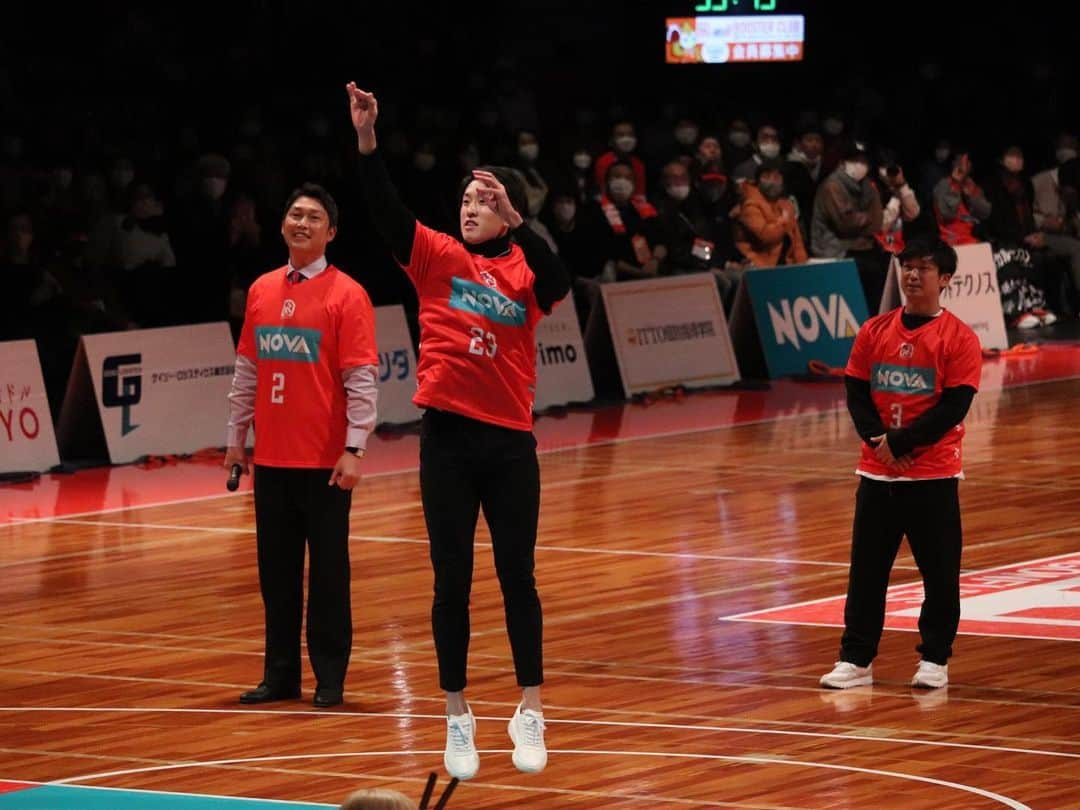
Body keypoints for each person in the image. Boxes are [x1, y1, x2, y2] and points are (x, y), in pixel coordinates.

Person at [346, 82, 570, 780]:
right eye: (467, 199)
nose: (471, 208)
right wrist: (367, 139)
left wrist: (520, 221)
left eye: (486, 200)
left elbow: (560, 282)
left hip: (510, 445)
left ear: (508, 212)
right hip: (446, 440)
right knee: (451, 582)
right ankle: (456, 716)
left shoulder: (527, 269)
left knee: (518, 579)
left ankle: (529, 708)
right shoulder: (437, 256)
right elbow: (384, 211)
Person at [224, 183, 379, 710]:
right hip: (271, 459)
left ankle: (330, 678)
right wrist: (235, 441)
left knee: (330, 575)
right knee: (277, 575)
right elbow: (247, 371)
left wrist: (354, 449)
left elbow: (361, 378)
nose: (302, 223)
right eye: (295, 214)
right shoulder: (262, 289)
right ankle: (280, 676)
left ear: (331, 232)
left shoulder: (347, 294)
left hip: (325, 463)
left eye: (314, 217)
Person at [820, 236, 981, 691]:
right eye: (907, 266)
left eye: (923, 268)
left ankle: (935, 659)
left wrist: (904, 442)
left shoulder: (959, 338)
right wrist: (879, 442)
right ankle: (856, 659)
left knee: (940, 573)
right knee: (867, 571)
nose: (912, 275)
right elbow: (855, 391)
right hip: (877, 472)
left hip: (933, 475)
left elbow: (955, 405)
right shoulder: (874, 331)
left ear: (944, 279)